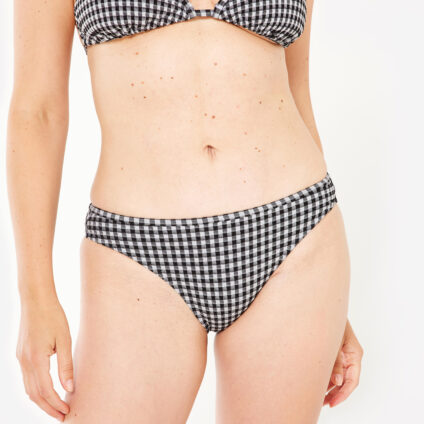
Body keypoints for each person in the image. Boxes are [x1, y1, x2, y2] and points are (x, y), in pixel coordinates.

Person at [7, 0, 363, 422]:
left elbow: (296, 88)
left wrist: (333, 313)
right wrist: (36, 295)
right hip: (135, 251)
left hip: (295, 237)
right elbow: (37, 112)